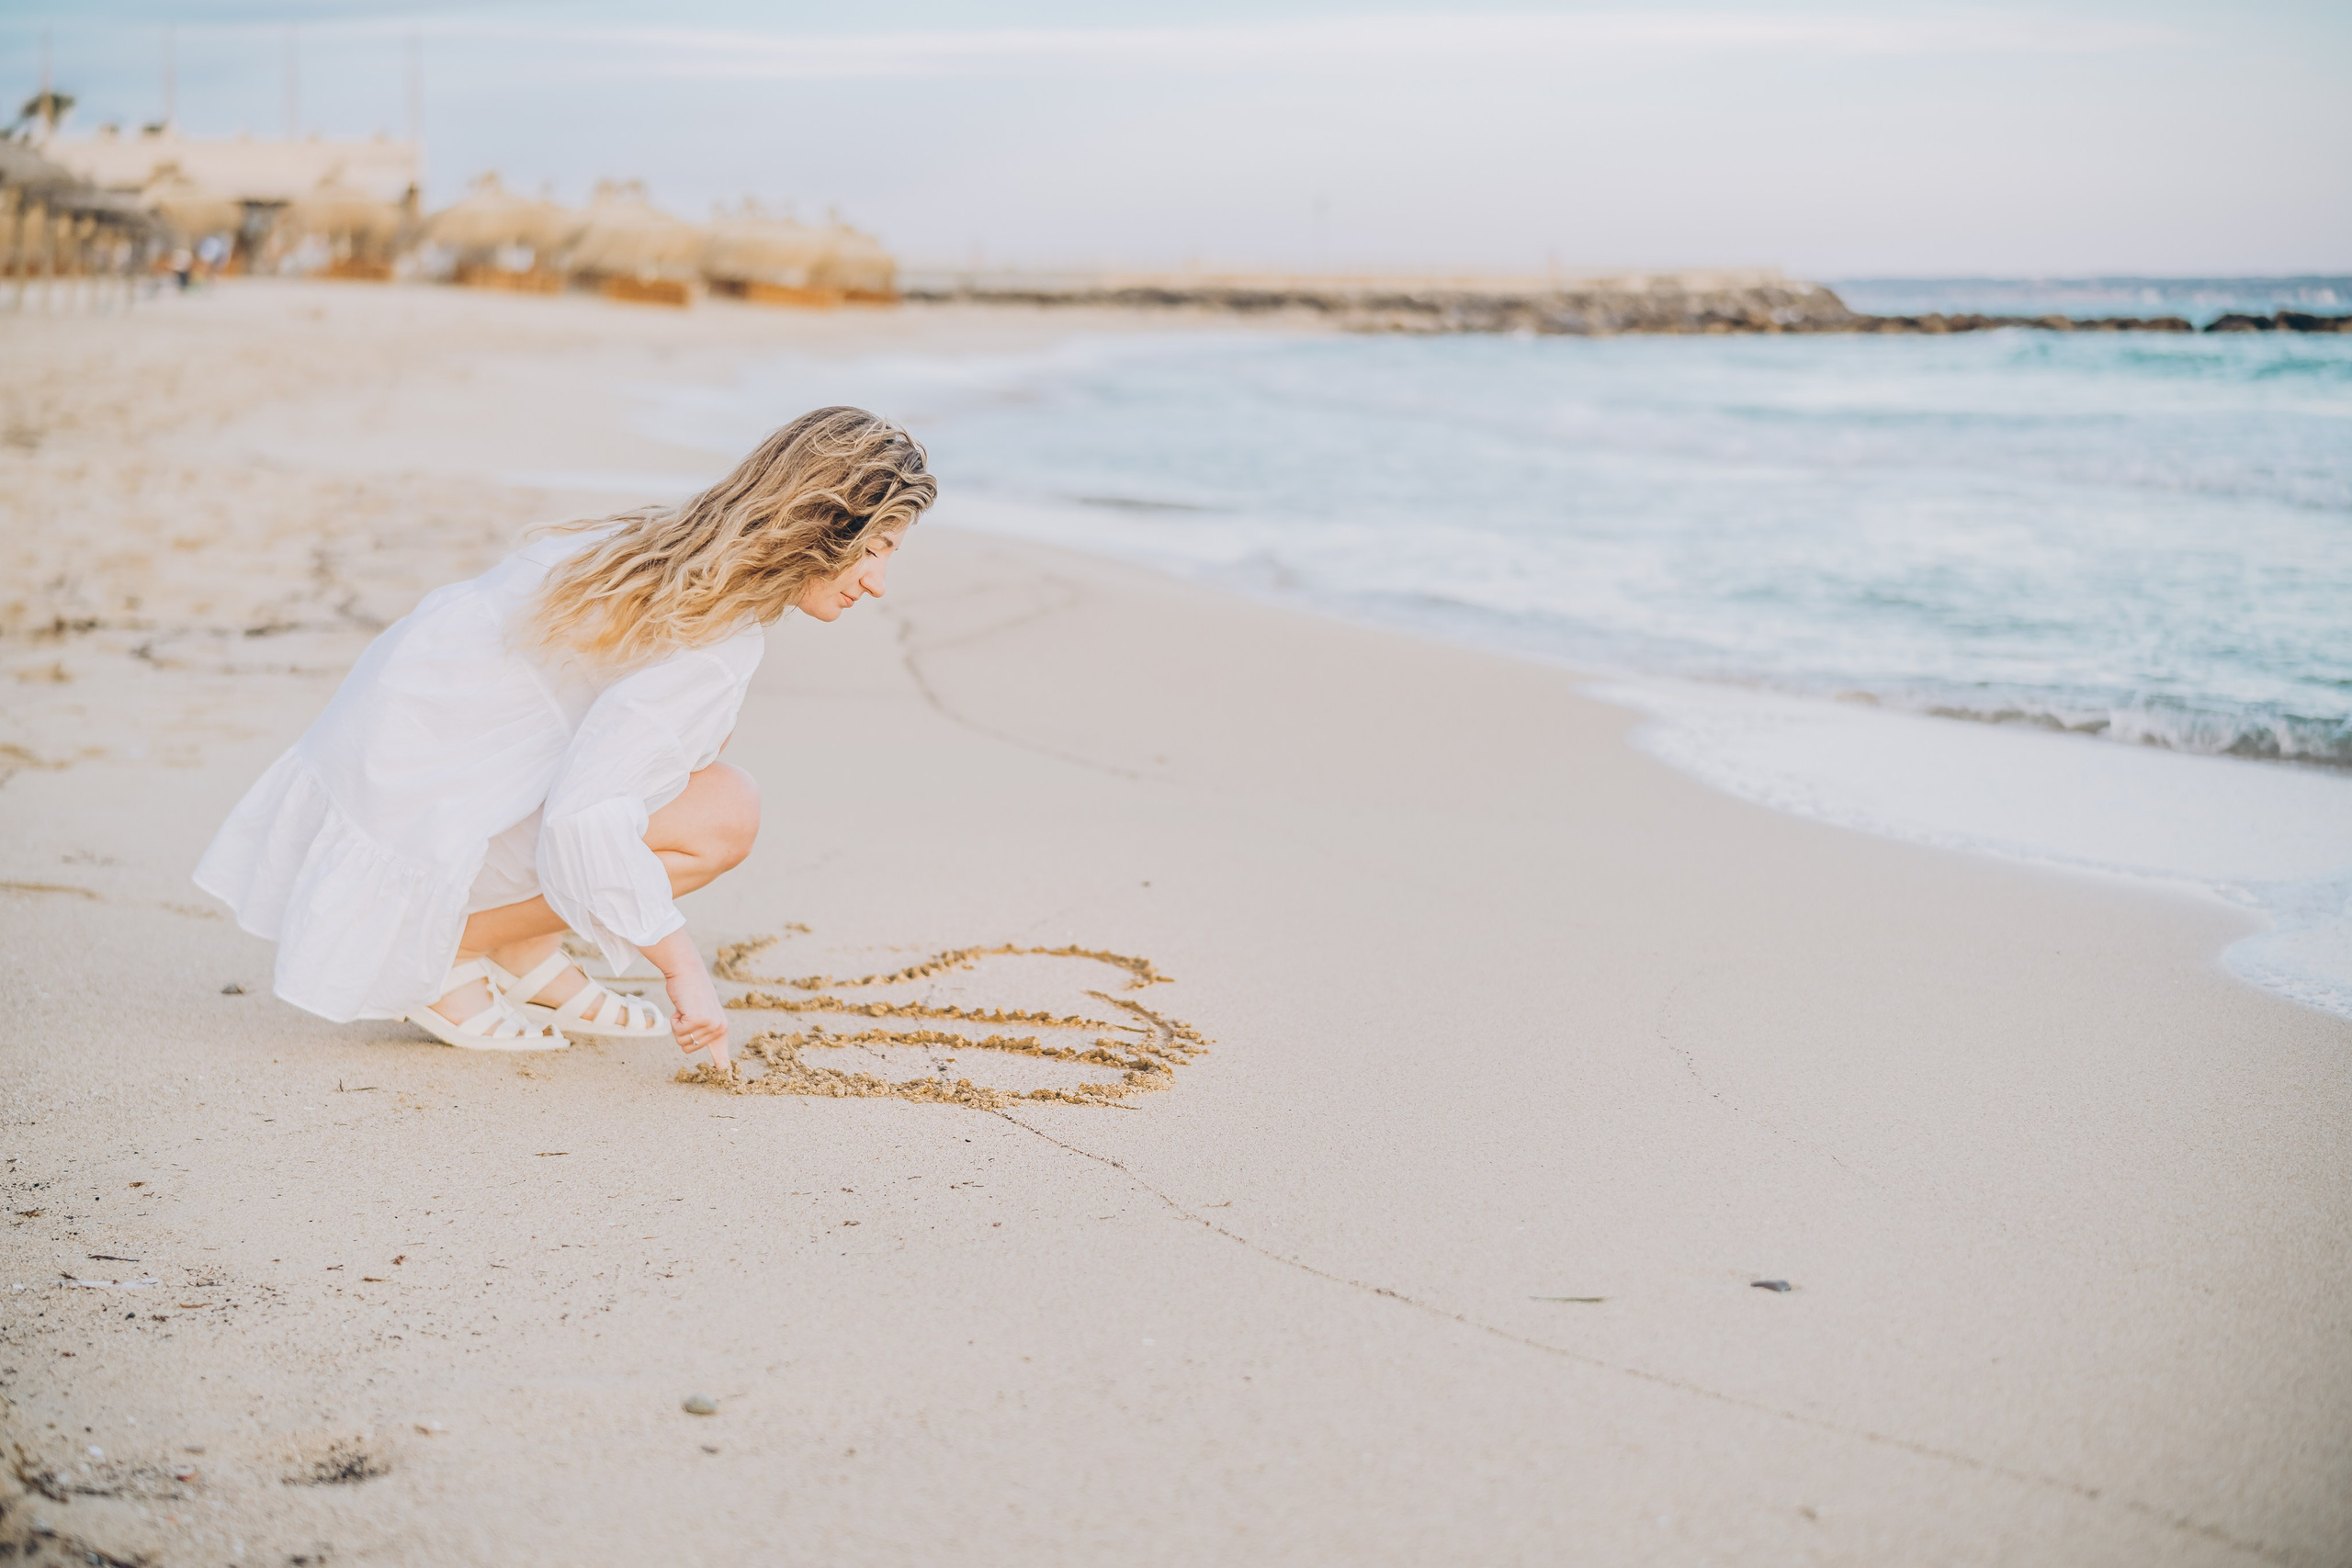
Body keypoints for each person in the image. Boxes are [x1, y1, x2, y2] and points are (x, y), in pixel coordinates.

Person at [195, 407, 935, 1070]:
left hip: (385, 779)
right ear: (821, 527)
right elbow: (586, 811)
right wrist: (682, 968)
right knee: (725, 812)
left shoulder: (648, 541)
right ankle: (454, 951)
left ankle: (524, 944)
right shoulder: (714, 642)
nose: (875, 583)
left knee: (687, 759)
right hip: (424, 818)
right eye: (876, 549)